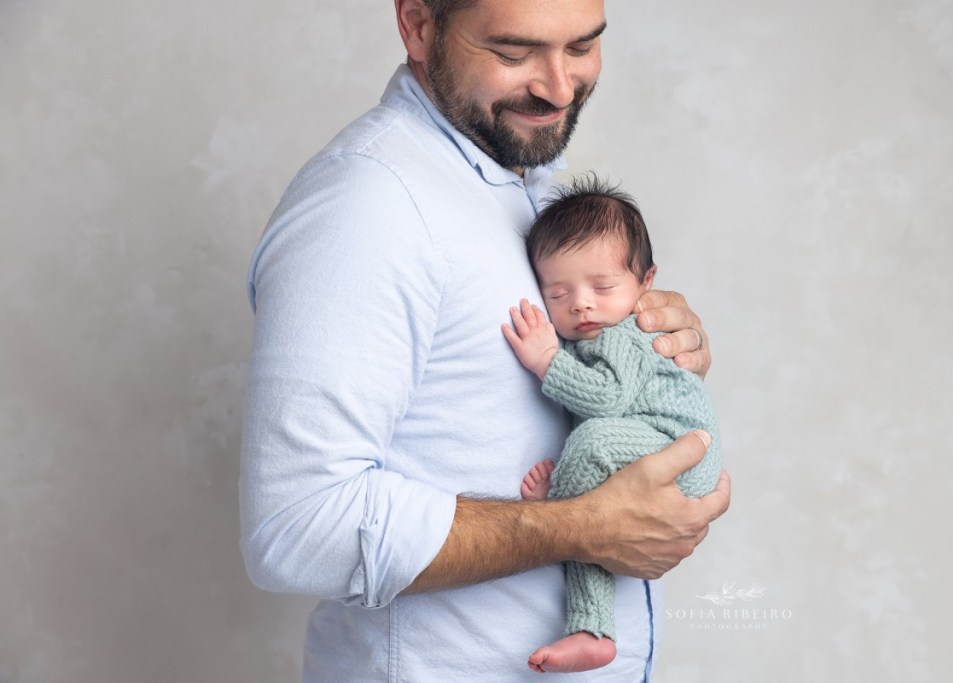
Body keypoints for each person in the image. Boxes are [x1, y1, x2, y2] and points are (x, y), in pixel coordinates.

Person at [240, 1, 730, 680]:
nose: (559, 88)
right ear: (419, 26)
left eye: (582, 47)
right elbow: (298, 527)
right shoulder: (367, 204)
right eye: (513, 52)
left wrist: (656, 353)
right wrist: (583, 524)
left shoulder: (525, 188)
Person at [502, 176, 723, 673]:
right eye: (558, 292)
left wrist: (547, 361)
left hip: (679, 449)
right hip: (656, 446)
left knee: (593, 442)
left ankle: (564, 506)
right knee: (592, 520)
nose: (581, 303)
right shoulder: (590, 332)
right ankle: (591, 629)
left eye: (602, 287)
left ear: (646, 282)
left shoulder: (624, 332)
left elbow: (606, 398)